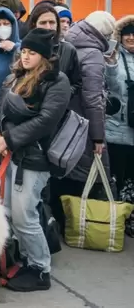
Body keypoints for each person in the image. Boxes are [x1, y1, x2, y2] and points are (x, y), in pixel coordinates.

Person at [0, 28, 71, 292]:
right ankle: (26, 261)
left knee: (25, 216)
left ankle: (40, 268)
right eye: (23, 51)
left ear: (44, 56)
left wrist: (9, 139)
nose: (25, 56)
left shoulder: (57, 82)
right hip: (13, 155)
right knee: (12, 213)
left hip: (35, 158)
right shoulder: (16, 77)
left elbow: (47, 121)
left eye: (31, 52)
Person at [62, 11, 117, 202]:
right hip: (83, 124)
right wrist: (98, 137)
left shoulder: (67, 43)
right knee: (88, 175)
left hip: (64, 119)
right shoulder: (93, 54)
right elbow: (93, 99)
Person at [26, 2, 81, 98]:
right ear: (34, 25)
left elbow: (76, 84)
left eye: (52, 22)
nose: (48, 27)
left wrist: (61, 95)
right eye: (43, 23)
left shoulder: (68, 50)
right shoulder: (24, 49)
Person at [107, 15, 134, 186]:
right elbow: (112, 88)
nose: (131, 37)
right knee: (117, 178)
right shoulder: (114, 57)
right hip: (117, 128)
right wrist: (110, 66)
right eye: (127, 34)